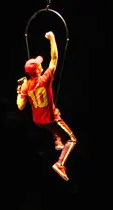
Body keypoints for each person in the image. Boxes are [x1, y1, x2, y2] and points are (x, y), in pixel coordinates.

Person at [17, 31, 76, 181]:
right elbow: (54, 58)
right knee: (72, 139)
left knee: (56, 111)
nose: (42, 65)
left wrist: (19, 91)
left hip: (38, 122)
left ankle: (57, 140)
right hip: (49, 120)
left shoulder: (25, 85)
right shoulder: (45, 79)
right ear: (37, 70)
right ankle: (60, 163)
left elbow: (20, 106)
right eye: (39, 65)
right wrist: (52, 38)